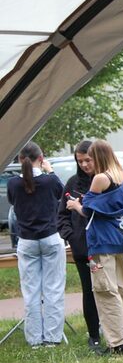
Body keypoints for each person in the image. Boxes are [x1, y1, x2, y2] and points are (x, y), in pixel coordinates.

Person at [67, 139, 123, 355]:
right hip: (121, 240)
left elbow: (89, 211)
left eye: (89, 158)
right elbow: (111, 204)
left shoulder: (100, 178)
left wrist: (76, 205)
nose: (86, 164)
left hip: (101, 243)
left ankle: (119, 343)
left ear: (97, 157)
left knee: (106, 291)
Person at [7, 142, 66, 348]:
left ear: (20, 159)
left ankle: (34, 339)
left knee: (31, 292)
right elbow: (62, 194)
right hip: (50, 236)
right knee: (53, 289)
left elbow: (14, 203)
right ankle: (52, 337)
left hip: (26, 240)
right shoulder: (50, 181)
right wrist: (50, 170)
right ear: (41, 159)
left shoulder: (13, 184)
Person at [57, 140, 101, 350]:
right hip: (82, 249)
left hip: (105, 245)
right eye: (80, 161)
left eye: (88, 160)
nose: (84, 165)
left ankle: (117, 331)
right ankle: (94, 335)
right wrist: (71, 236)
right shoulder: (73, 183)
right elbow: (62, 215)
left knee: (111, 289)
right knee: (89, 291)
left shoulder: (105, 180)